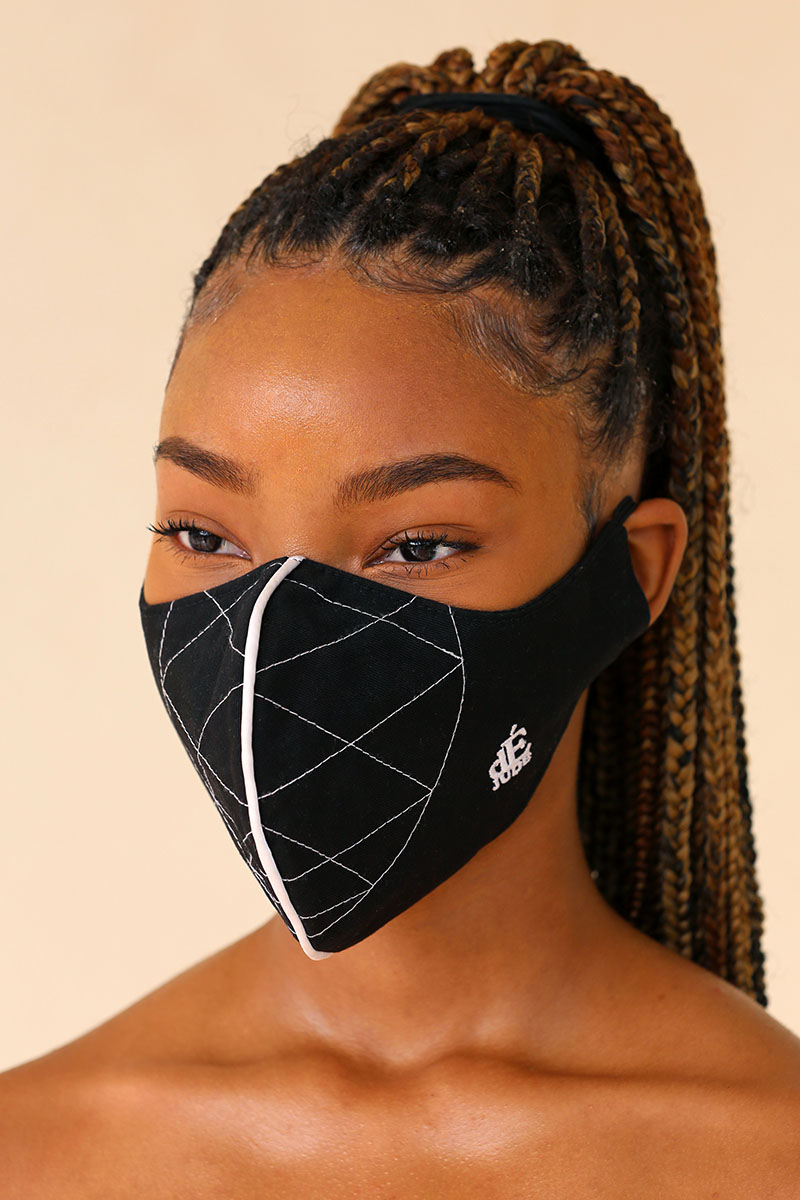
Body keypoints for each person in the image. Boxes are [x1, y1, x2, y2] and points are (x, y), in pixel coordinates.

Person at [3, 37, 799, 1197]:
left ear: (631, 572)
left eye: (418, 544)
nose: (273, 631)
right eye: (204, 534)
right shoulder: (31, 1151)